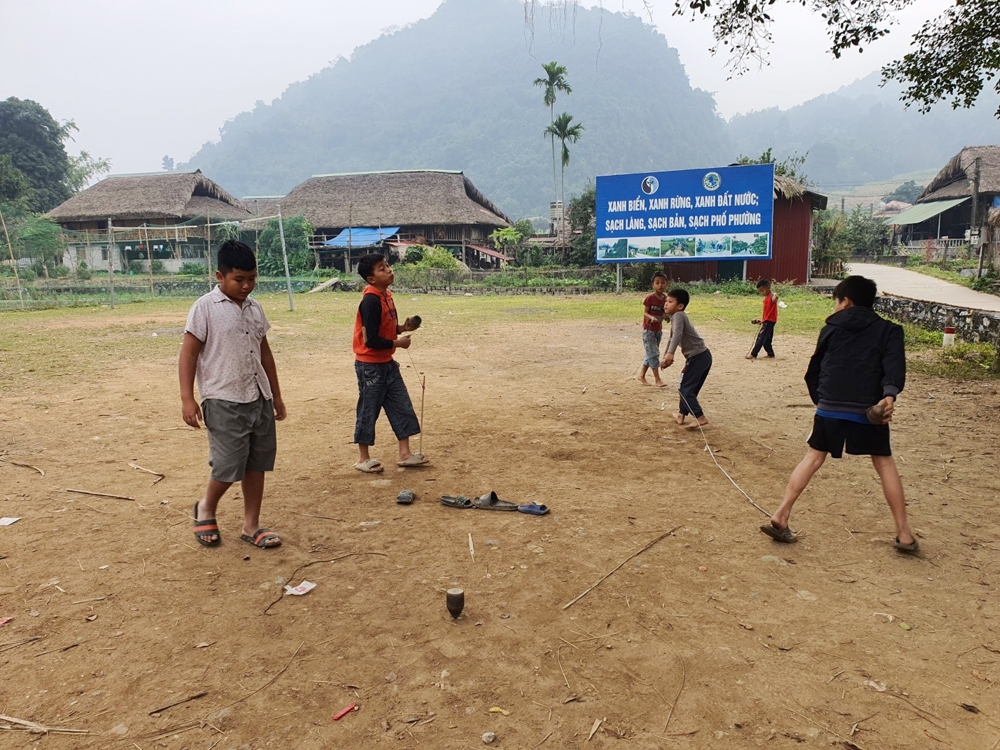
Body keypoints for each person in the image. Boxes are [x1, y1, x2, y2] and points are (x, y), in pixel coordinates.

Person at [760, 275, 918, 554]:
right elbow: (893, 369)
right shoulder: (890, 330)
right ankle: (904, 534)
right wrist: (889, 395)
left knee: (813, 457)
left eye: (836, 300)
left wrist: (822, 403)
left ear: (845, 301)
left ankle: (781, 515)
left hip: (829, 406)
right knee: (884, 463)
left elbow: (813, 371)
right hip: (870, 409)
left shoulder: (829, 329)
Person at [179, 240, 286, 549]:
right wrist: (188, 398)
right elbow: (187, 355)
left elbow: (265, 354)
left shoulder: (255, 309)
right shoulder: (204, 308)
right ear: (219, 276)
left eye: (252, 278)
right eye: (239, 279)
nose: (247, 286)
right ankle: (206, 507)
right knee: (229, 464)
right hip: (222, 398)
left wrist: (276, 396)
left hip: (258, 397)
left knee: (257, 463)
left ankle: (251, 525)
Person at [352, 253, 427, 473]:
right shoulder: (370, 301)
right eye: (381, 268)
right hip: (370, 366)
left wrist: (402, 328)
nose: (388, 270)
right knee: (368, 409)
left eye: (387, 266)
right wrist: (399, 343)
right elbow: (371, 339)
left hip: (387, 362)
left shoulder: (386, 296)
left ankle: (405, 453)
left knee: (400, 404)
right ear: (371, 279)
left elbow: (385, 328)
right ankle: (362, 458)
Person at [660, 288, 712, 429]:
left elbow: (677, 336)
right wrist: (666, 356)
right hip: (702, 357)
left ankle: (700, 417)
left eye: (670, 301)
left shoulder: (678, 316)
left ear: (680, 306)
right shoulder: (676, 317)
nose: (666, 304)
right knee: (687, 387)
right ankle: (681, 414)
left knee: (685, 388)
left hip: (698, 358)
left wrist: (670, 354)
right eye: (666, 301)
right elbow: (672, 338)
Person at [638, 271, 669, 387]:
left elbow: (666, 313)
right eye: (657, 283)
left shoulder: (666, 299)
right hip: (648, 331)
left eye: (663, 283)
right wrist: (651, 317)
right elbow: (645, 313)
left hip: (658, 330)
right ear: (653, 285)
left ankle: (641, 375)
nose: (660, 285)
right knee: (654, 354)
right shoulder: (649, 298)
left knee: (651, 353)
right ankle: (657, 379)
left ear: (667, 284)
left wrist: (666, 317)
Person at [747, 278, 778, 359]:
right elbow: (767, 311)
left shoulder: (771, 296)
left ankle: (754, 354)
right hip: (768, 320)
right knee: (767, 339)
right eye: (760, 291)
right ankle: (770, 354)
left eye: (762, 290)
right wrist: (762, 321)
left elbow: (774, 299)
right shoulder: (766, 298)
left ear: (768, 287)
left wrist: (776, 297)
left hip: (770, 320)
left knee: (761, 337)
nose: (761, 293)